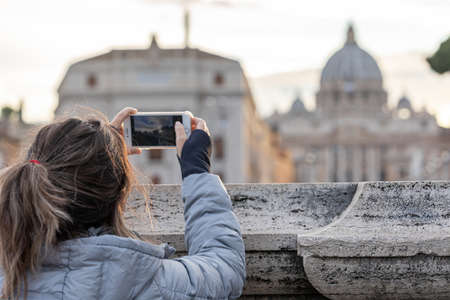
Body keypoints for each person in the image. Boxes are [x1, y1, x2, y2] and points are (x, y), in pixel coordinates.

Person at [0, 107, 246, 300]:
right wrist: (196, 171)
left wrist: (101, 160)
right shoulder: (146, 281)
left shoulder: (7, 278)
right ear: (117, 196)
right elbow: (224, 266)